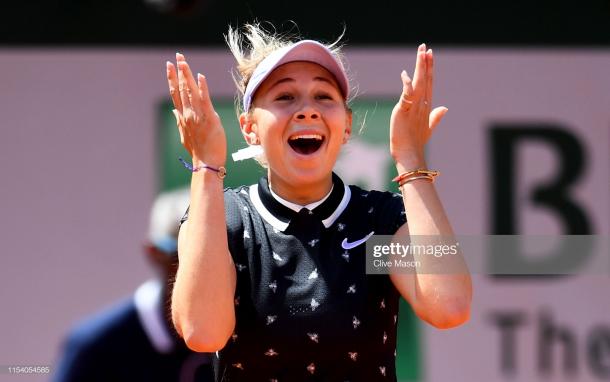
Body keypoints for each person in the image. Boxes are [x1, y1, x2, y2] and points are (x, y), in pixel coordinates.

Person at [167, 23, 472, 381]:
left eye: (324, 97)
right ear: (249, 128)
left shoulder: (379, 219)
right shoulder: (227, 216)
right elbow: (203, 332)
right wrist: (205, 165)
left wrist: (409, 159)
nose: (307, 110)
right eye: (284, 97)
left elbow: (449, 307)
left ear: (345, 127)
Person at [52, 188, 214, 382]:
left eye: (218, 254)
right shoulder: (94, 348)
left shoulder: (247, 330)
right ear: (154, 253)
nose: (202, 269)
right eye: (183, 253)